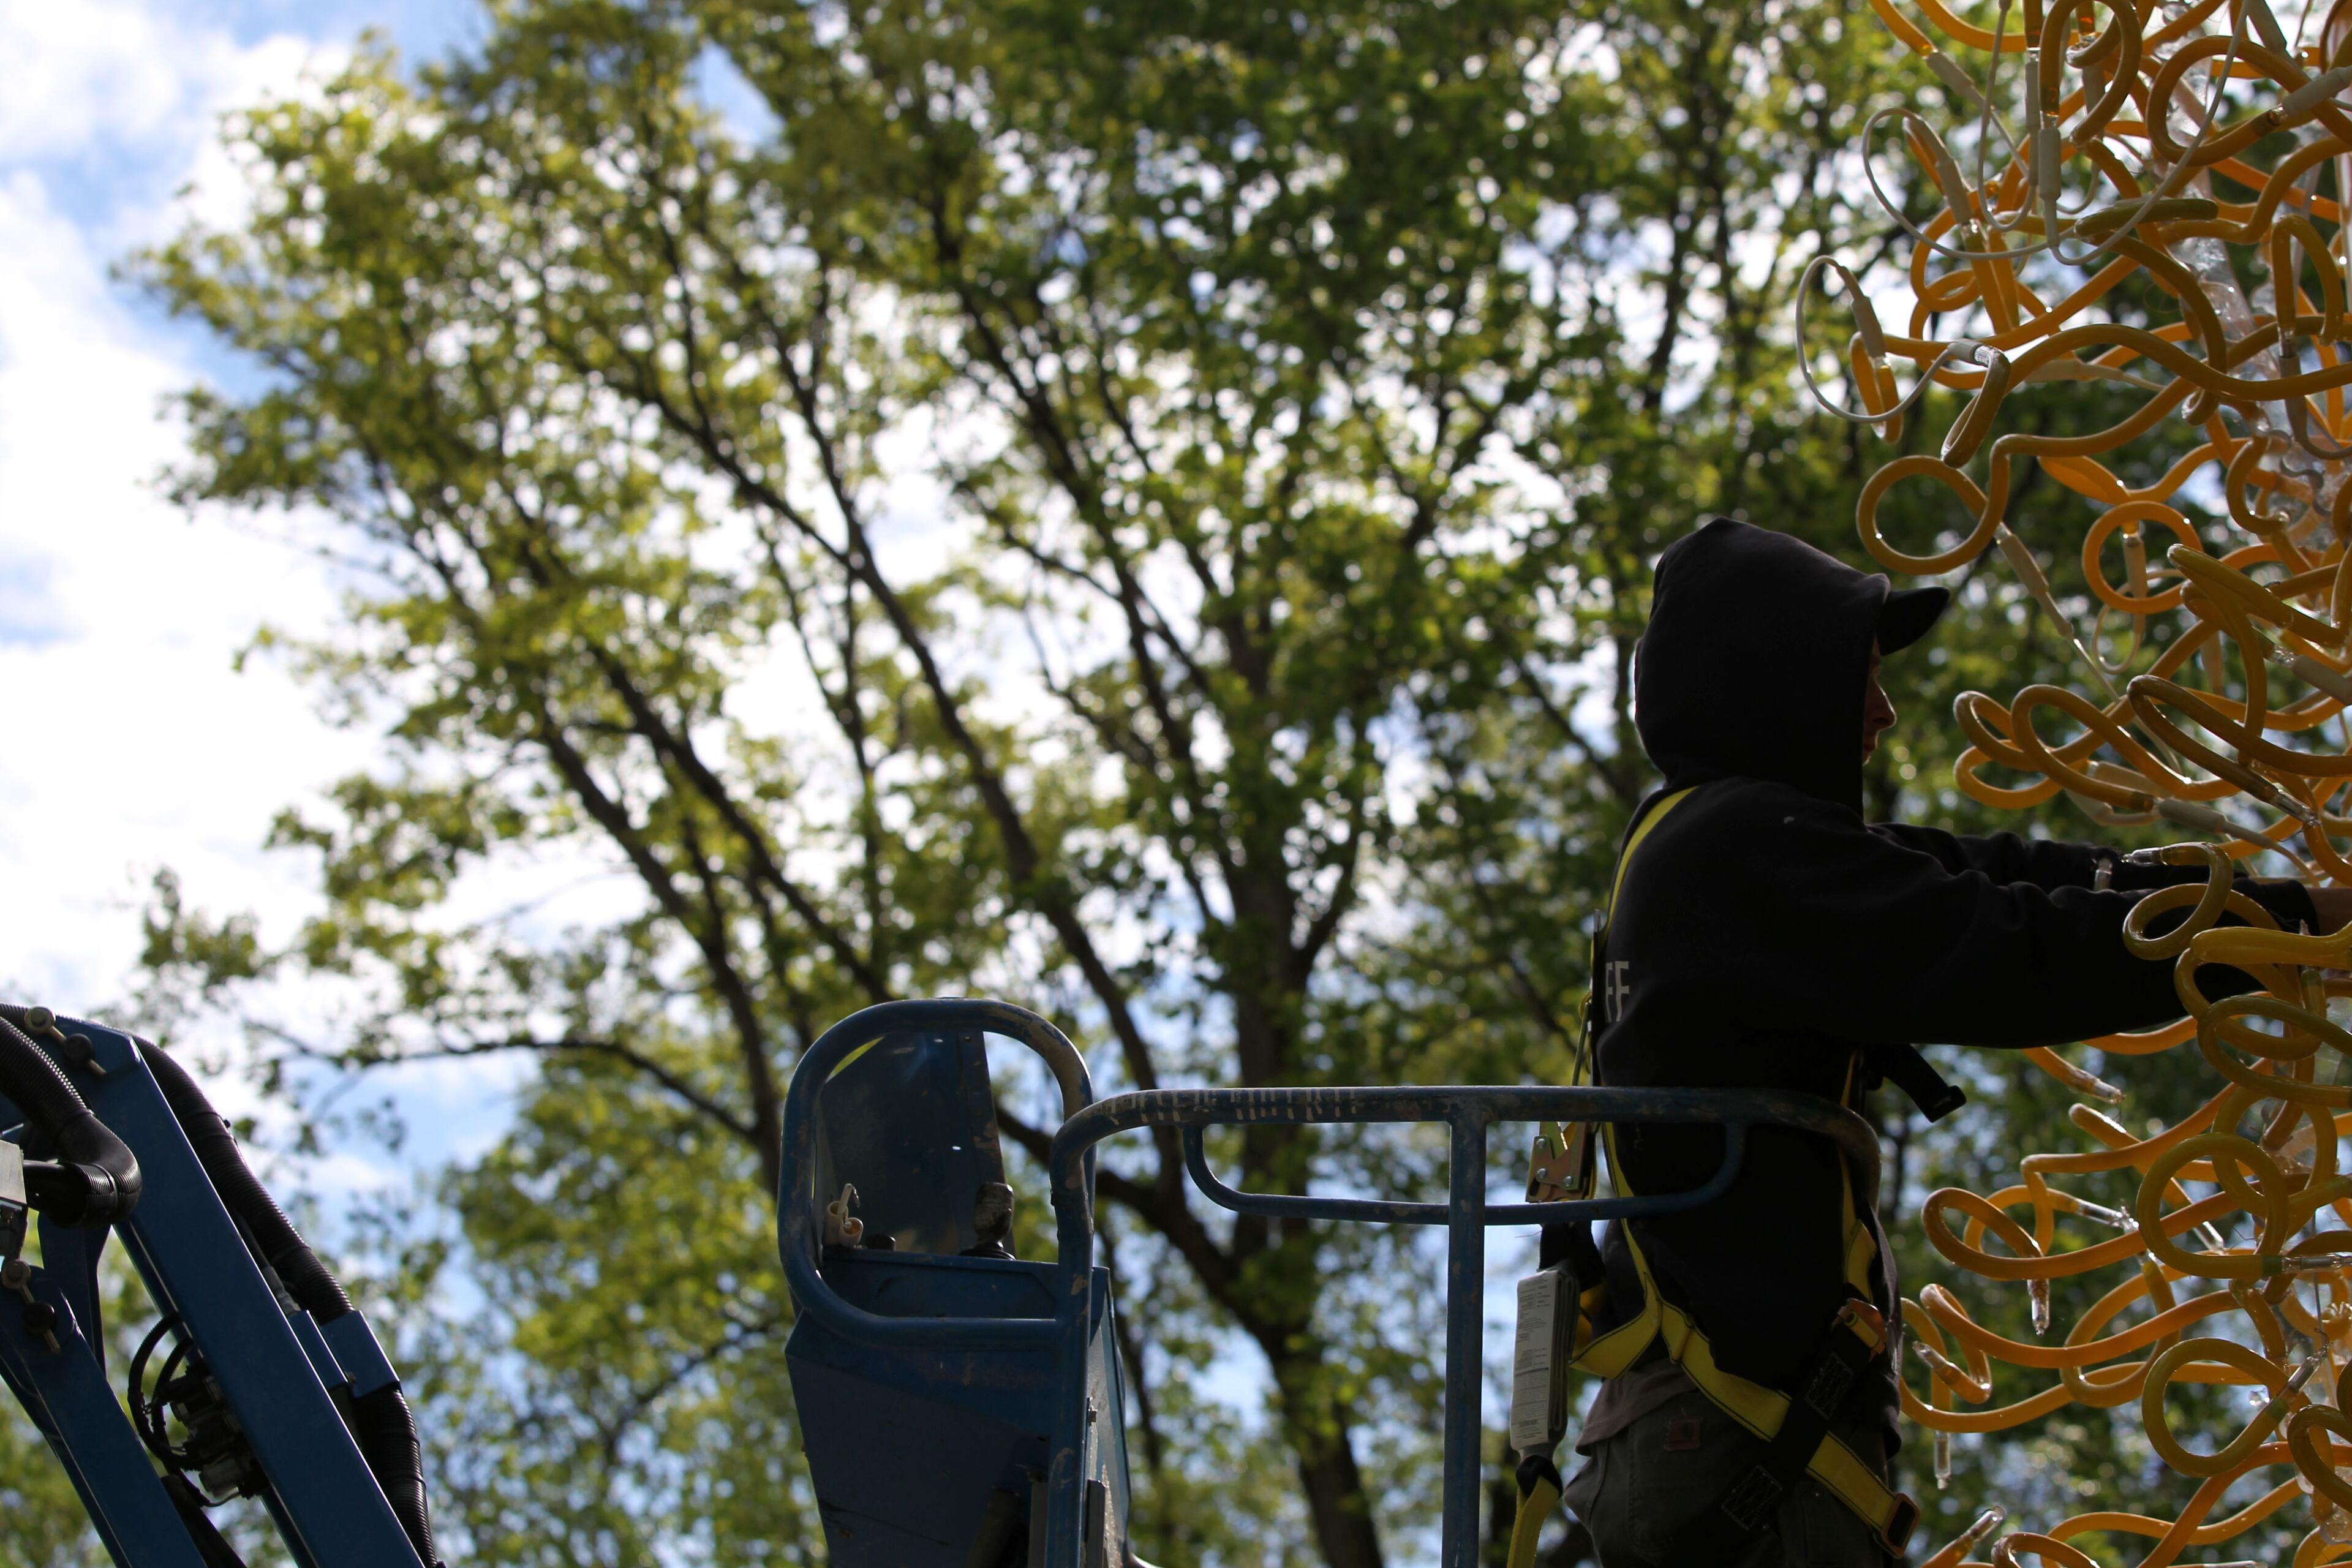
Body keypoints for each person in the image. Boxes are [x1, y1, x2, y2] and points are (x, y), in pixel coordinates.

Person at [1552, 517, 2346, 1567]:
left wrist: (2291, 916)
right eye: (1861, 678)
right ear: (1776, 680)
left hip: (1718, 1443)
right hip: (1740, 1451)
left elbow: (2013, 874)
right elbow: (2007, 949)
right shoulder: (1739, 857)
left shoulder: (1716, 848)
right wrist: (2278, 935)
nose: (1882, 712)